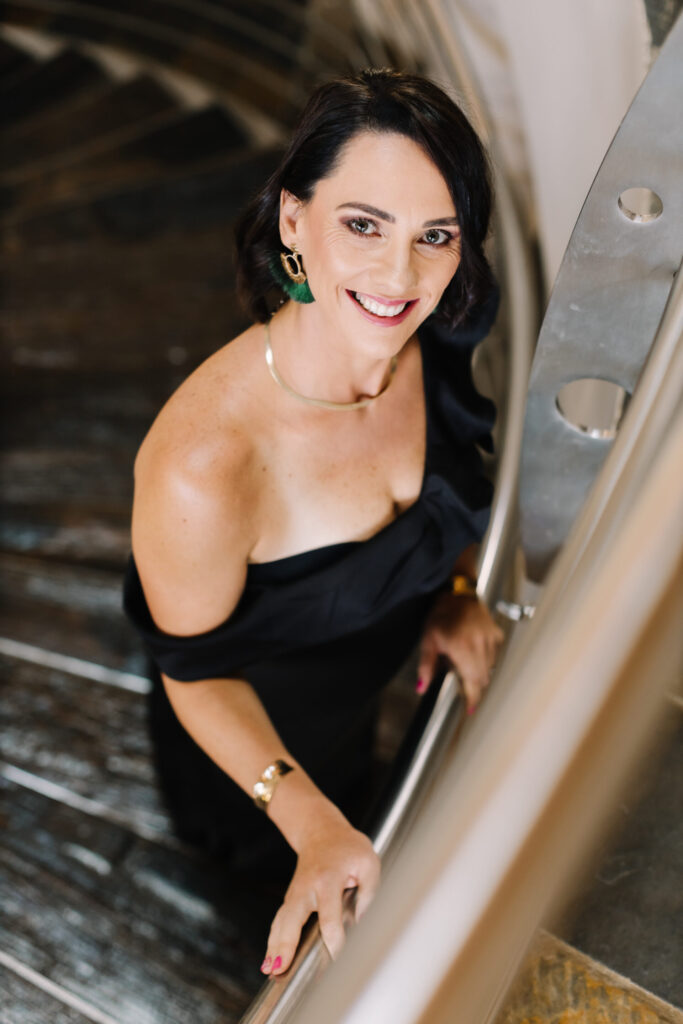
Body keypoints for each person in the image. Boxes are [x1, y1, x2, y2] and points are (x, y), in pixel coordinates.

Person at [123, 68, 504, 978]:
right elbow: (193, 670)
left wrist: (455, 590)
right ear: (293, 221)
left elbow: (450, 490)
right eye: (363, 225)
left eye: (435, 235)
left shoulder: (431, 334)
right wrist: (306, 820)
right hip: (261, 743)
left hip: (366, 694)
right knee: (247, 867)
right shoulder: (202, 468)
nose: (399, 277)